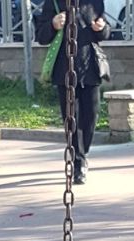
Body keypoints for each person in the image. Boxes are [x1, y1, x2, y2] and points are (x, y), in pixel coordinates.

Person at [35, 0, 110, 185]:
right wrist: (53, 25)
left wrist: (101, 28)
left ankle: (83, 153)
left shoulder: (93, 2)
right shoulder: (53, 2)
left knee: (91, 116)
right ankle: (79, 163)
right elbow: (41, 36)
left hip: (90, 68)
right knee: (72, 119)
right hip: (65, 72)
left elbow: (106, 32)